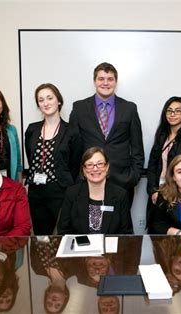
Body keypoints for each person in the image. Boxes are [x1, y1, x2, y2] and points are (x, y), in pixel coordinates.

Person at [68, 62, 144, 205]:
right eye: (101, 79)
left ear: (115, 82)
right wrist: (76, 177)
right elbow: (73, 146)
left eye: (110, 79)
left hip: (122, 181)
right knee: (90, 225)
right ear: (94, 81)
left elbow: (137, 147)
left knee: (120, 225)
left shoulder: (129, 108)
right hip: (89, 179)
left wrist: (134, 176)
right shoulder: (79, 108)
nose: (105, 83)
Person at [25, 83, 80, 235]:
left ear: (59, 101)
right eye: (41, 100)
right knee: (41, 238)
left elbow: (76, 164)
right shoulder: (31, 130)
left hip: (60, 191)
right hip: (36, 193)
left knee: (63, 235)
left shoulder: (71, 131)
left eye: (50, 98)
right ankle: (42, 260)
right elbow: (31, 158)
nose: (46, 103)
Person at [147, 96, 181, 231]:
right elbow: (152, 164)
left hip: (179, 192)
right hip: (158, 191)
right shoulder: (161, 136)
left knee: (176, 231)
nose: (172, 114)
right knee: (157, 230)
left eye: (177, 111)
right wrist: (153, 190)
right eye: (169, 111)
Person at [57, 147, 133, 235]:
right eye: (89, 165)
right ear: (84, 170)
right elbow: (63, 230)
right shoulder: (72, 193)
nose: (95, 169)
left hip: (109, 247)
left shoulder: (120, 195)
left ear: (107, 167)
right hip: (80, 247)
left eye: (100, 164)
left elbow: (126, 233)